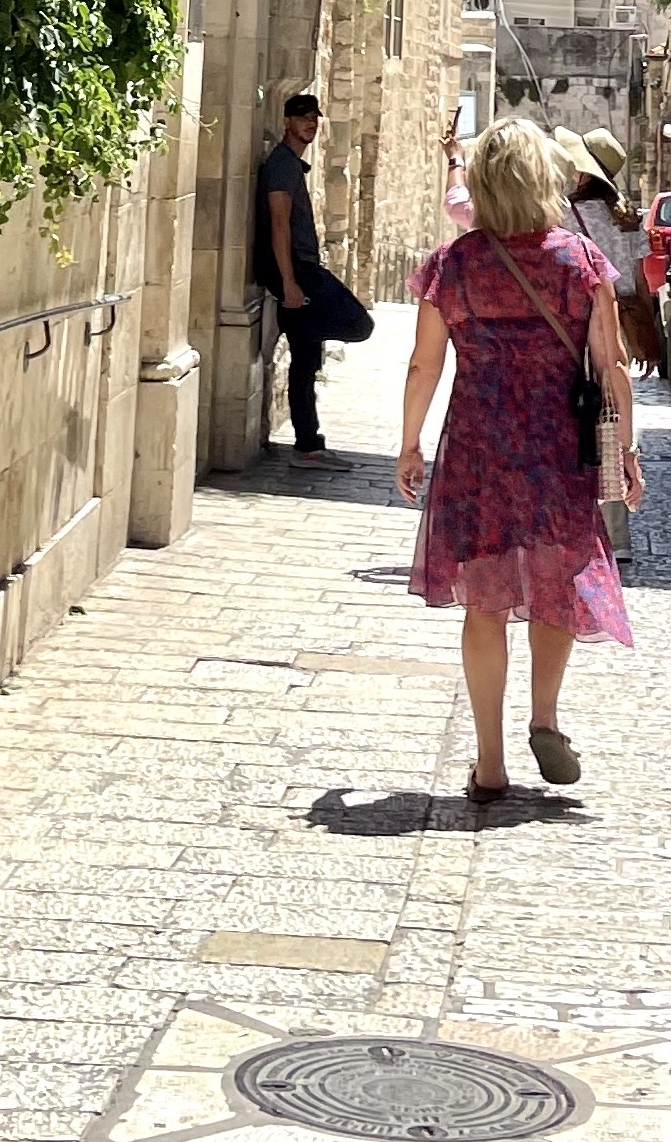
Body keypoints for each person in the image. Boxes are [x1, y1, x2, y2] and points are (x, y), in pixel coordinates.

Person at [399, 114, 642, 797]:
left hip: (478, 446)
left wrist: (410, 442)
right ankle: (546, 716)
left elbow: (424, 366)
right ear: (546, 183)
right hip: (557, 447)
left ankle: (490, 759)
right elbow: (612, 364)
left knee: (484, 599)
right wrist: (626, 451)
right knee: (555, 584)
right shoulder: (579, 261)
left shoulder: (452, 267)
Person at [258, 89, 372, 458]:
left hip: (301, 273)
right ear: (287, 121)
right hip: (299, 274)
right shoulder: (282, 164)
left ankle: (308, 443)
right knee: (359, 325)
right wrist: (289, 282)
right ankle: (300, 321)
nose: (311, 122)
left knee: (305, 362)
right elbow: (279, 223)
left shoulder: (291, 165)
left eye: (315, 117)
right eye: (303, 115)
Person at [560, 129, 662, 379]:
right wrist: (648, 336)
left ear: (583, 169)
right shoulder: (630, 218)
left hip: (581, 322)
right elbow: (640, 281)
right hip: (622, 322)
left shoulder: (565, 215)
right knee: (614, 402)